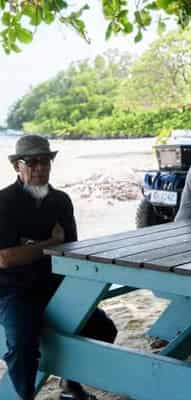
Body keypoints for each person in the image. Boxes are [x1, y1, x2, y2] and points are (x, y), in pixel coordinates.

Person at [0, 135, 117, 400]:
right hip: (12, 289)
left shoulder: (61, 201)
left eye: (46, 162)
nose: (40, 168)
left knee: (104, 330)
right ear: (17, 165)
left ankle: (70, 385)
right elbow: (5, 259)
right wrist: (51, 243)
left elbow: (70, 250)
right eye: (32, 163)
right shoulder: (3, 202)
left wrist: (30, 247)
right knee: (22, 344)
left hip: (52, 283)